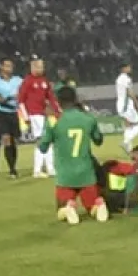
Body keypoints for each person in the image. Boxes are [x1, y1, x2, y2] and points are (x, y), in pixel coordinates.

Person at [37, 86, 107, 225]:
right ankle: (99, 206)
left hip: (65, 176)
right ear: (75, 99)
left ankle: (69, 207)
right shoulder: (88, 118)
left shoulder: (54, 121)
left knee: (60, 211)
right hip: (87, 174)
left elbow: (43, 147)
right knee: (91, 207)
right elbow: (99, 140)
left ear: (58, 101)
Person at [17, 57, 61, 177]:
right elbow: (21, 100)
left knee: (46, 140)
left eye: (42, 67)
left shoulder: (44, 80)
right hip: (34, 114)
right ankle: (40, 169)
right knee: (43, 141)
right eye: (39, 67)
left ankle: (47, 168)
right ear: (33, 67)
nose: (41, 69)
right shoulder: (28, 81)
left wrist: (58, 111)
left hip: (43, 114)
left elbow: (51, 97)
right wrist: (26, 116)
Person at [115, 62, 138, 152]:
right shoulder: (126, 79)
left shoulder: (119, 79)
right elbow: (130, 92)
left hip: (120, 104)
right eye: (128, 67)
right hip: (126, 105)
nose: (130, 68)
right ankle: (125, 142)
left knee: (128, 126)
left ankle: (129, 149)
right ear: (124, 68)